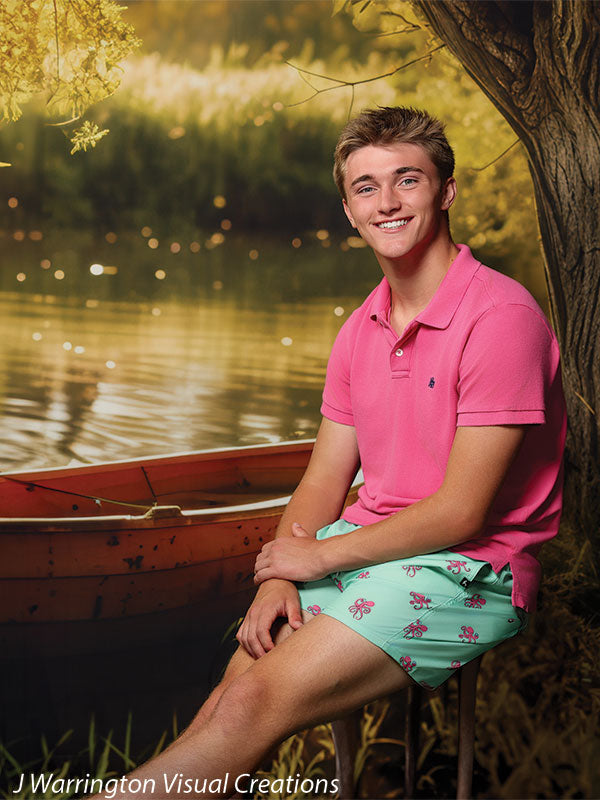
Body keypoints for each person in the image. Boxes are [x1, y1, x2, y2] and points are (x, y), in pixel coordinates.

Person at [91, 106, 566, 799]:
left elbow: (464, 512)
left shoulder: (501, 320)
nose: (389, 201)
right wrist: (281, 574)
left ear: (447, 190)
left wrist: (314, 558)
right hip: (359, 549)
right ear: (348, 210)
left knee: (252, 706)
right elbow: (322, 481)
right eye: (367, 188)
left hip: (468, 570)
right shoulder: (359, 331)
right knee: (228, 706)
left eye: (408, 179)